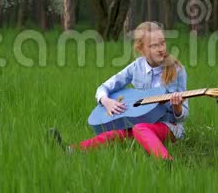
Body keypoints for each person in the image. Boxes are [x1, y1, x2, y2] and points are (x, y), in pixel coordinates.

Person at [49, 21, 188, 161]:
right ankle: (71, 150)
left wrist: (177, 107)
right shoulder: (136, 67)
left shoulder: (177, 70)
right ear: (141, 49)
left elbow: (183, 116)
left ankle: (165, 160)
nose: (161, 49)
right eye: (154, 45)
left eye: (162, 43)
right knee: (115, 133)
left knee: (139, 128)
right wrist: (106, 101)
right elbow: (104, 87)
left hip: (168, 126)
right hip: (140, 123)